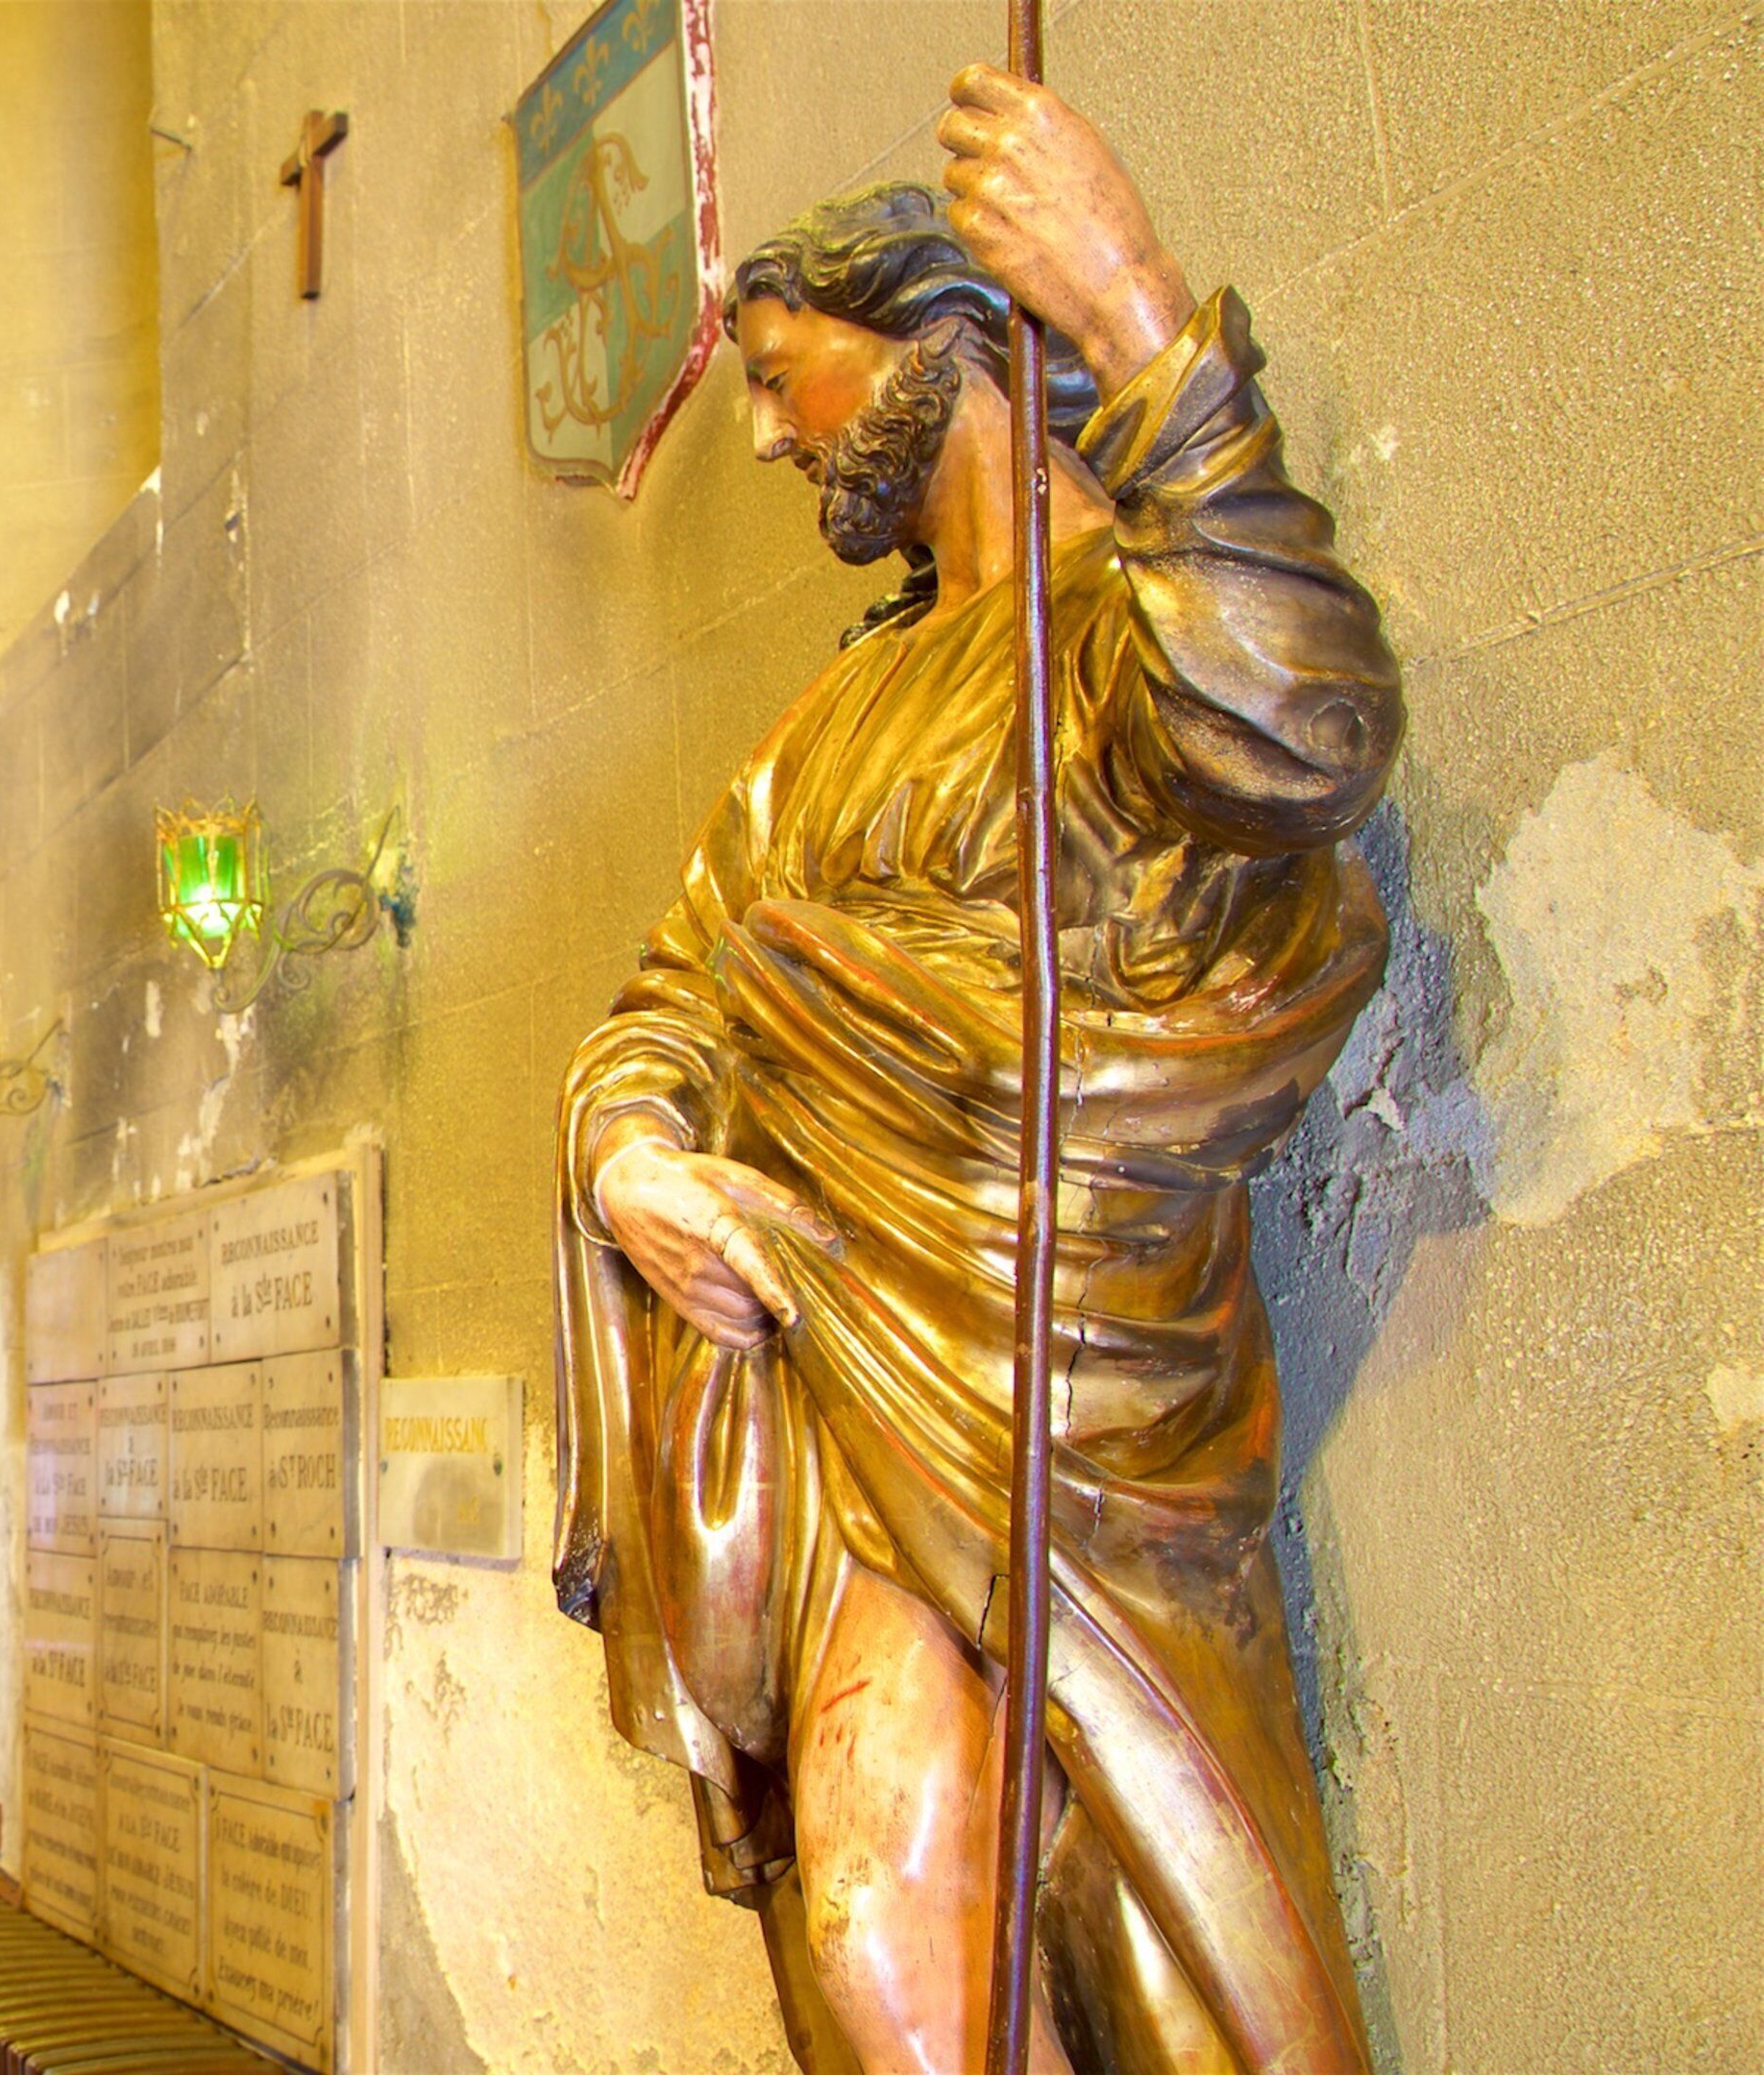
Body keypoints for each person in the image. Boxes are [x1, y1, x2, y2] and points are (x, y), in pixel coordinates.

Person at [553, 71, 1392, 2075]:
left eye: (781, 372)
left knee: (1172, 1955)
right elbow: (679, 991)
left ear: (943, 338)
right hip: (846, 1380)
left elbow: (1302, 722)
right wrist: (630, 1165)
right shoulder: (831, 717)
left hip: (1079, 1391)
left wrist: (1127, 300)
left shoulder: (1125, 638)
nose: (762, 429)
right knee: (871, 1941)